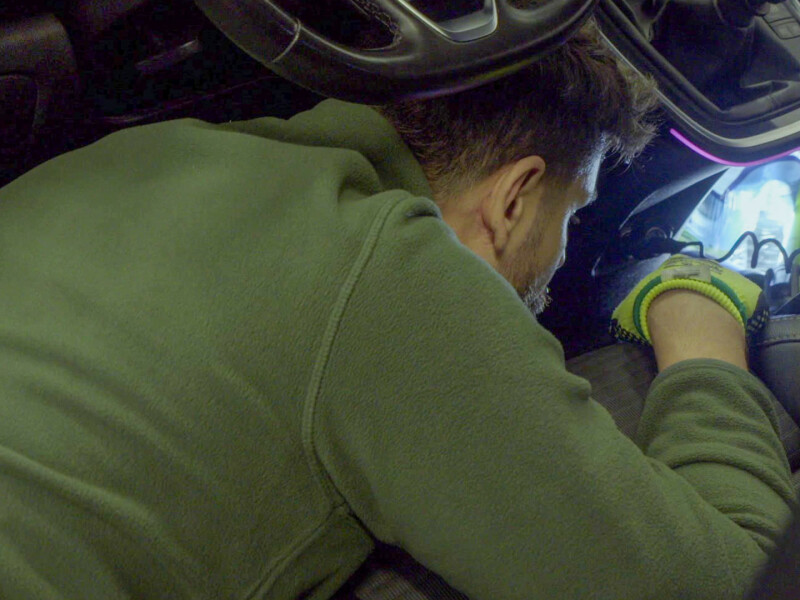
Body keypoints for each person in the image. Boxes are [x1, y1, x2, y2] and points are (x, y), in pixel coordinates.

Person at [0, 18, 795, 600]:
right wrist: (703, 339)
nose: (562, 253)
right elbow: (738, 582)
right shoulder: (388, 272)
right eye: (572, 212)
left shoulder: (140, 154)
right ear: (514, 198)